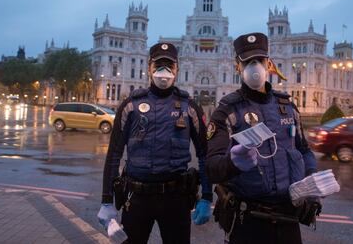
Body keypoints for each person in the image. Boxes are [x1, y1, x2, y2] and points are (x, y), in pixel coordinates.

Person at [206, 32, 320, 244]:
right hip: (247, 219)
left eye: (259, 60)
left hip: (288, 218)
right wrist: (232, 163)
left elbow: (304, 150)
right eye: (247, 61)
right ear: (237, 67)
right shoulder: (227, 111)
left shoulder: (287, 108)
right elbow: (212, 167)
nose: (254, 66)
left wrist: (312, 181)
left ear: (269, 64)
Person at [98, 42, 213, 244]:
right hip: (137, 197)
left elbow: (204, 154)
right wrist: (107, 200)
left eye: (169, 65)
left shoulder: (189, 107)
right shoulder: (130, 106)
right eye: (159, 65)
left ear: (177, 69)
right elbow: (114, 154)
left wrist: (206, 195)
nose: (164, 71)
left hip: (176, 198)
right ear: (149, 68)